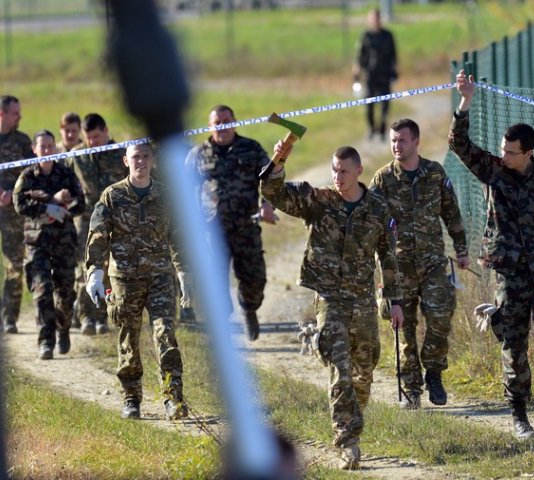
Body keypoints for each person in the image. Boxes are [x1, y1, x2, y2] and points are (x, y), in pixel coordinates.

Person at [261, 142, 403, 471]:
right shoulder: (319, 201)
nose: (338, 177)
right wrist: (280, 158)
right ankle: (347, 442)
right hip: (329, 298)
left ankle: (352, 420)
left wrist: (394, 300)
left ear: (359, 172)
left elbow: (389, 257)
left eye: (344, 171)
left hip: (363, 299)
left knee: (363, 373)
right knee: (340, 370)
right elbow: (273, 192)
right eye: (334, 170)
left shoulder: (378, 209)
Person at [449, 69, 534, 440]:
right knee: (513, 343)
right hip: (508, 274)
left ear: (529, 153)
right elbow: (459, 143)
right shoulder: (493, 172)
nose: (504, 156)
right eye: (502, 149)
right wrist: (466, 100)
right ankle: (520, 416)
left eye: (511, 152)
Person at [369, 118, 469, 410]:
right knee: (404, 328)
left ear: (416, 142)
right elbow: (371, 222)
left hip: (433, 263)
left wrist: (461, 249)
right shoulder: (383, 179)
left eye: (402, 140)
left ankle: (434, 371)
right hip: (397, 267)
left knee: (440, 315)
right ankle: (412, 388)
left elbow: (451, 212)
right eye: (393, 141)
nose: (396, 146)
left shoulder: (434, 173)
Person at [84, 142, 189, 421]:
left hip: (160, 277)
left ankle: (173, 397)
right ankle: (131, 398)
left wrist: (184, 272)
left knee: (165, 333)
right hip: (124, 281)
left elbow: (179, 237)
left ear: (153, 160)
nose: (140, 162)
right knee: (129, 338)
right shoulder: (112, 196)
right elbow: (98, 234)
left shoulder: (166, 196)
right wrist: (95, 270)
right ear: (125, 161)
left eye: (145, 156)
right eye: (135, 157)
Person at [185, 105, 277, 340]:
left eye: (226, 120)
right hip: (212, 230)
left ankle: (249, 309)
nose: (222, 126)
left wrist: (267, 205)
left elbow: (270, 180)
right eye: (217, 122)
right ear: (210, 126)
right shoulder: (198, 154)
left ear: (235, 122)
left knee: (255, 278)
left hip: (246, 226)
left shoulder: (251, 149)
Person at [13, 130, 85, 359]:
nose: (46, 150)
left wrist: (63, 211)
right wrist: (45, 208)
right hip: (38, 242)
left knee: (65, 293)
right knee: (42, 290)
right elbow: (19, 203)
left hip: (64, 241)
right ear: (34, 149)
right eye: (42, 147)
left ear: (55, 148)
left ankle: (63, 328)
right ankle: (45, 340)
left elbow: (80, 202)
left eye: (50, 146)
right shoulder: (27, 176)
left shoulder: (65, 174)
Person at [67, 113, 128, 336]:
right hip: (85, 220)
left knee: (110, 268)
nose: (92, 142)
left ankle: (103, 315)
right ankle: (85, 316)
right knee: (87, 267)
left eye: (95, 136)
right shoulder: (77, 155)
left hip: (115, 219)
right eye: (88, 138)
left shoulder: (122, 153)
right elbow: (64, 179)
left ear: (105, 131)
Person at [0, 95, 35, 334]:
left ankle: (9, 318)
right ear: (2, 114)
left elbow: (32, 173)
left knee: (14, 265)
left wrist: (12, 192)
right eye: (15, 113)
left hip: (13, 213)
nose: (20, 117)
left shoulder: (22, 141)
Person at [353, 8, 397, 140]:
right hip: (370, 75)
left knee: (385, 105)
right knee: (369, 105)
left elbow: (394, 55)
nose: (375, 21)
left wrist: (395, 71)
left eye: (377, 18)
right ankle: (371, 128)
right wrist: (356, 69)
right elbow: (359, 55)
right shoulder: (365, 36)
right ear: (369, 20)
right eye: (373, 18)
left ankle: (383, 130)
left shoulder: (388, 35)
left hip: (384, 75)